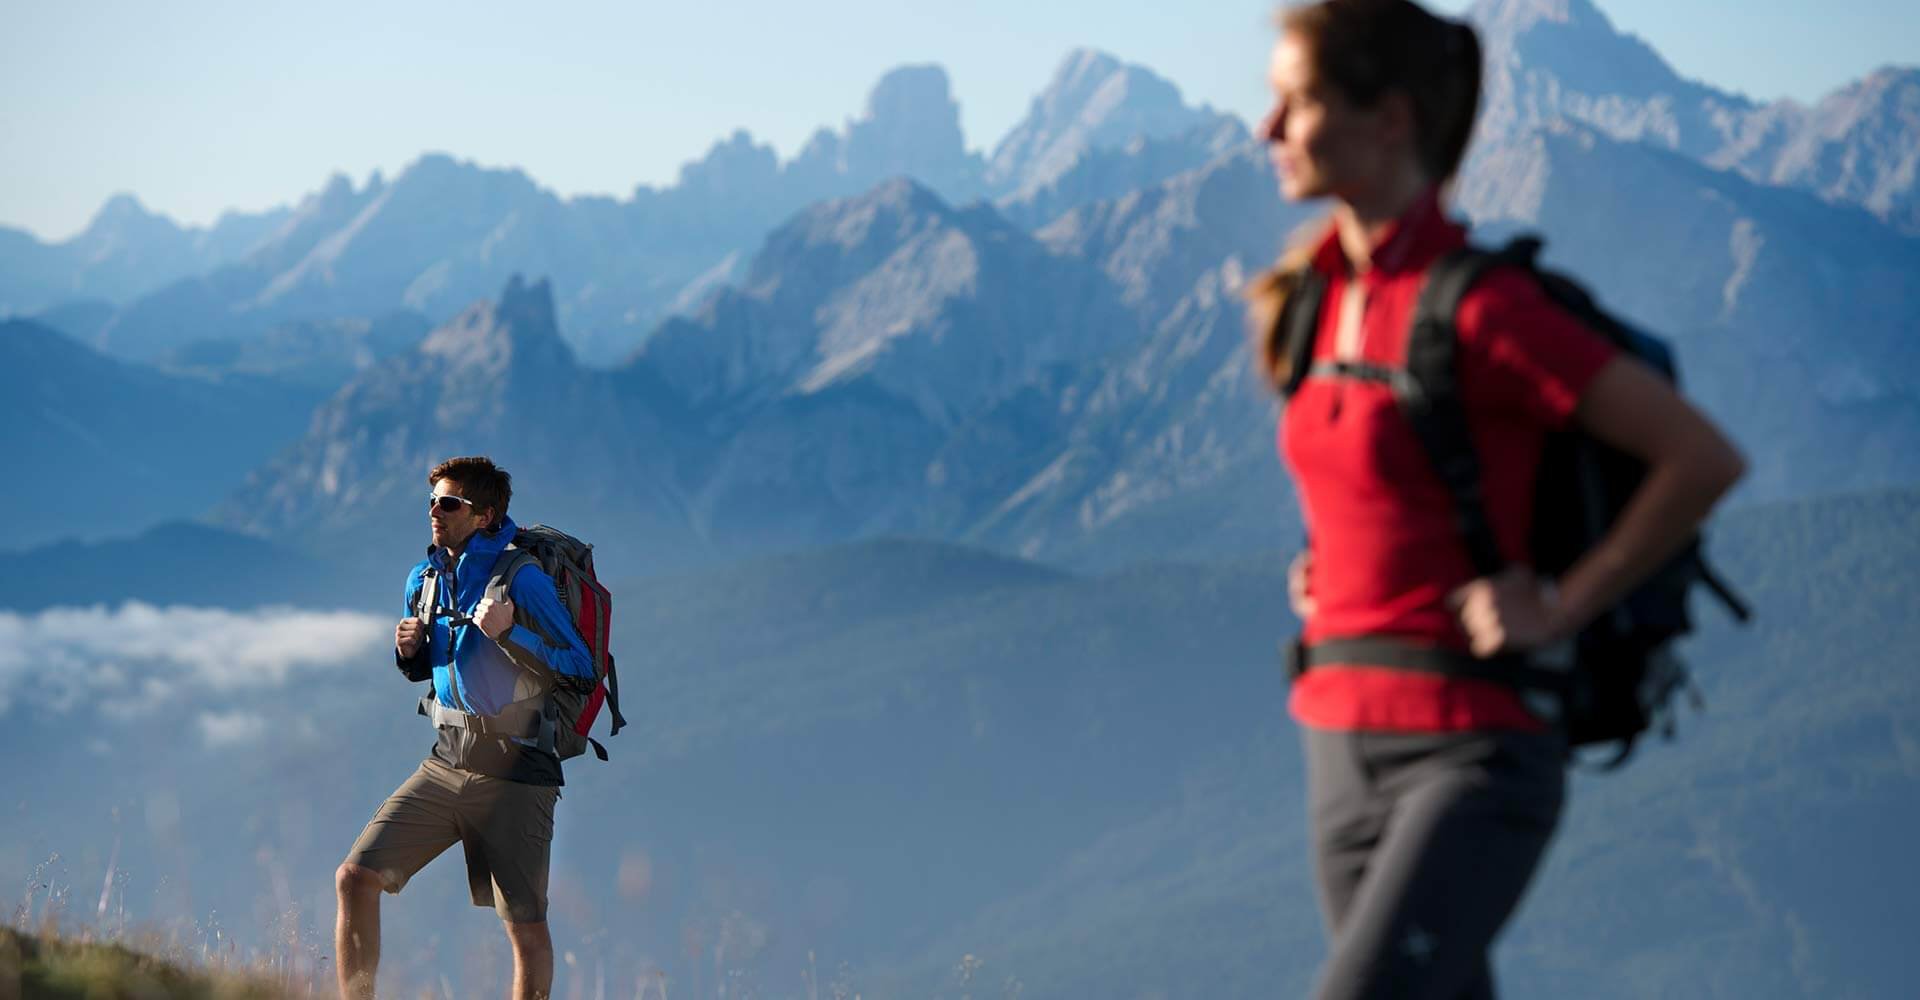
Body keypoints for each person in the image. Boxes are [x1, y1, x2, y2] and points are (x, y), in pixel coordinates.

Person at [1247, 1, 1745, 997]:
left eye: (1297, 104)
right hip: (1336, 733)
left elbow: (1700, 458)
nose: (1268, 131)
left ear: (1390, 118)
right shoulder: (1314, 299)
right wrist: (1328, 568)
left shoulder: (1482, 306)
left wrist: (1563, 604)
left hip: (1470, 747)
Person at [335, 456, 596, 1000]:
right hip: (448, 758)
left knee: (525, 929)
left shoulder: (522, 579)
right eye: (432, 501)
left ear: (484, 515)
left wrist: (509, 635)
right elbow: (435, 668)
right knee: (355, 878)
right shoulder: (424, 578)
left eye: (449, 502)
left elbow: (580, 666)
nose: (435, 511)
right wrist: (407, 654)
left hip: (519, 770)